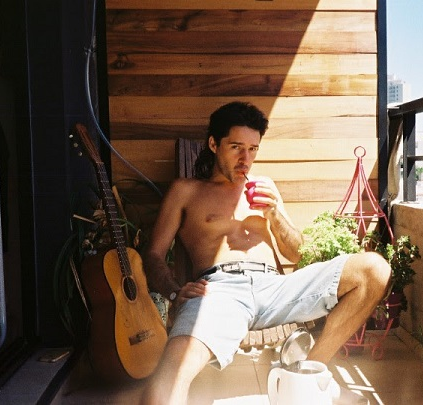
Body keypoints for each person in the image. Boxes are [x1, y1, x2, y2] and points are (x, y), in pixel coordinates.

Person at [140, 101, 391, 404]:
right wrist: (173, 291)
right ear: (214, 144)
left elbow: (297, 254)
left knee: (374, 269)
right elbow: (153, 254)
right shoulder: (186, 190)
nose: (245, 159)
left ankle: (307, 373)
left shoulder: (265, 187)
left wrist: (274, 213)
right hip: (218, 293)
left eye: (253, 149)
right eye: (236, 147)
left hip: (278, 287)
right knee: (168, 380)